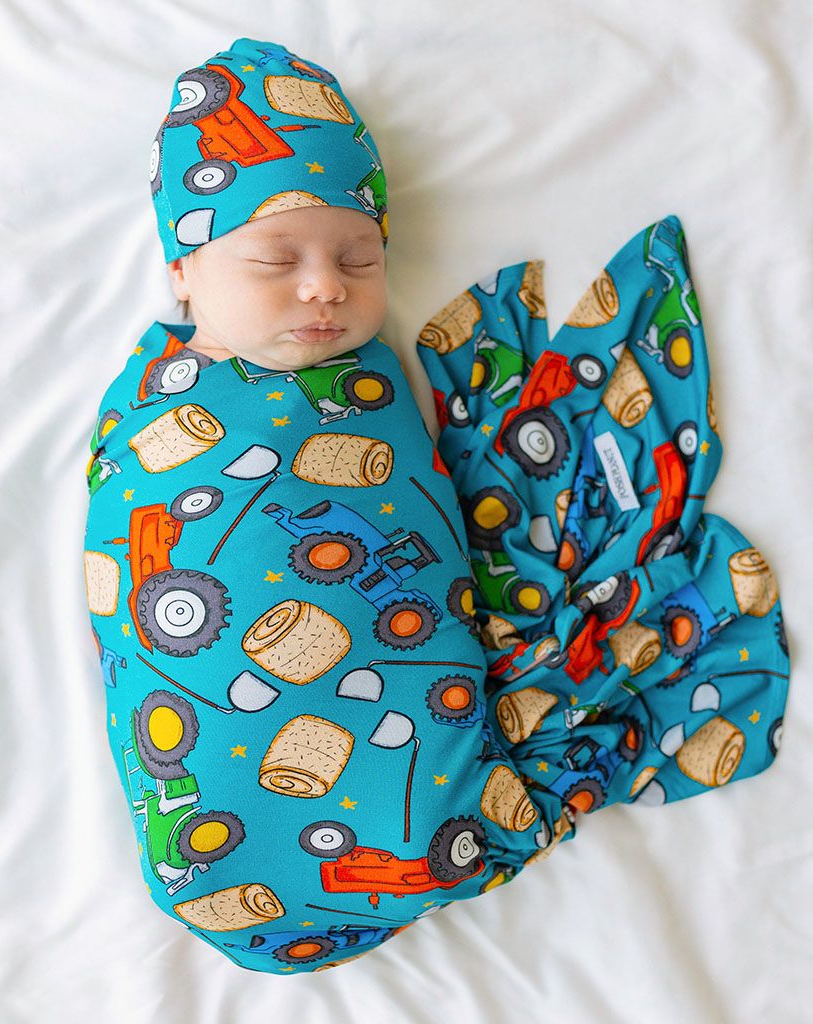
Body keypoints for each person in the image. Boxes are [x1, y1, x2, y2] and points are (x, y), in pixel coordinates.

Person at [81, 37, 790, 976]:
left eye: (359, 256)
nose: (325, 284)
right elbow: (125, 530)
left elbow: (434, 508)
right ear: (183, 269)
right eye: (275, 259)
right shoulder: (149, 404)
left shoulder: (380, 382)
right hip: (210, 768)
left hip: (401, 700)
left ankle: (426, 828)